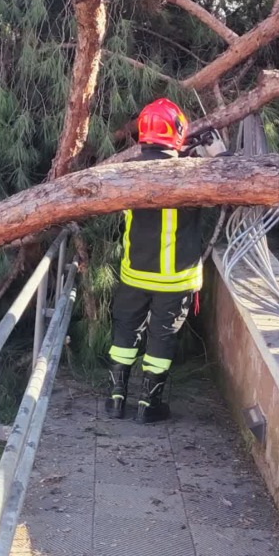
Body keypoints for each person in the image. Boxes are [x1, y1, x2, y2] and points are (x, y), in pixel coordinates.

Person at [106, 98, 203, 423]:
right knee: (161, 336)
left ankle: (116, 399)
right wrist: (214, 153)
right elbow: (237, 186)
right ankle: (148, 407)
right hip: (176, 279)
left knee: (125, 333)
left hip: (135, 273)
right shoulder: (196, 174)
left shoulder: (127, 173)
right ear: (178, 131)